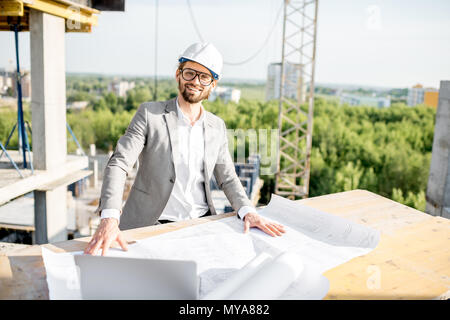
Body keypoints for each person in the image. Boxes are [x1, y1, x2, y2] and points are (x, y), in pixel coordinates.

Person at [84, 43, 285, 256]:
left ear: (213, 85)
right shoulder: (149, 115)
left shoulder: (217, 126)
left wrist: (248, 212)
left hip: (201, 226)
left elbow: (228, 178)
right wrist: (109, 218)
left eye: (204, 77)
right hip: (152, 225)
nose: (195, 81)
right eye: (189, 73)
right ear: (178, 75)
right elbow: (119, 163)